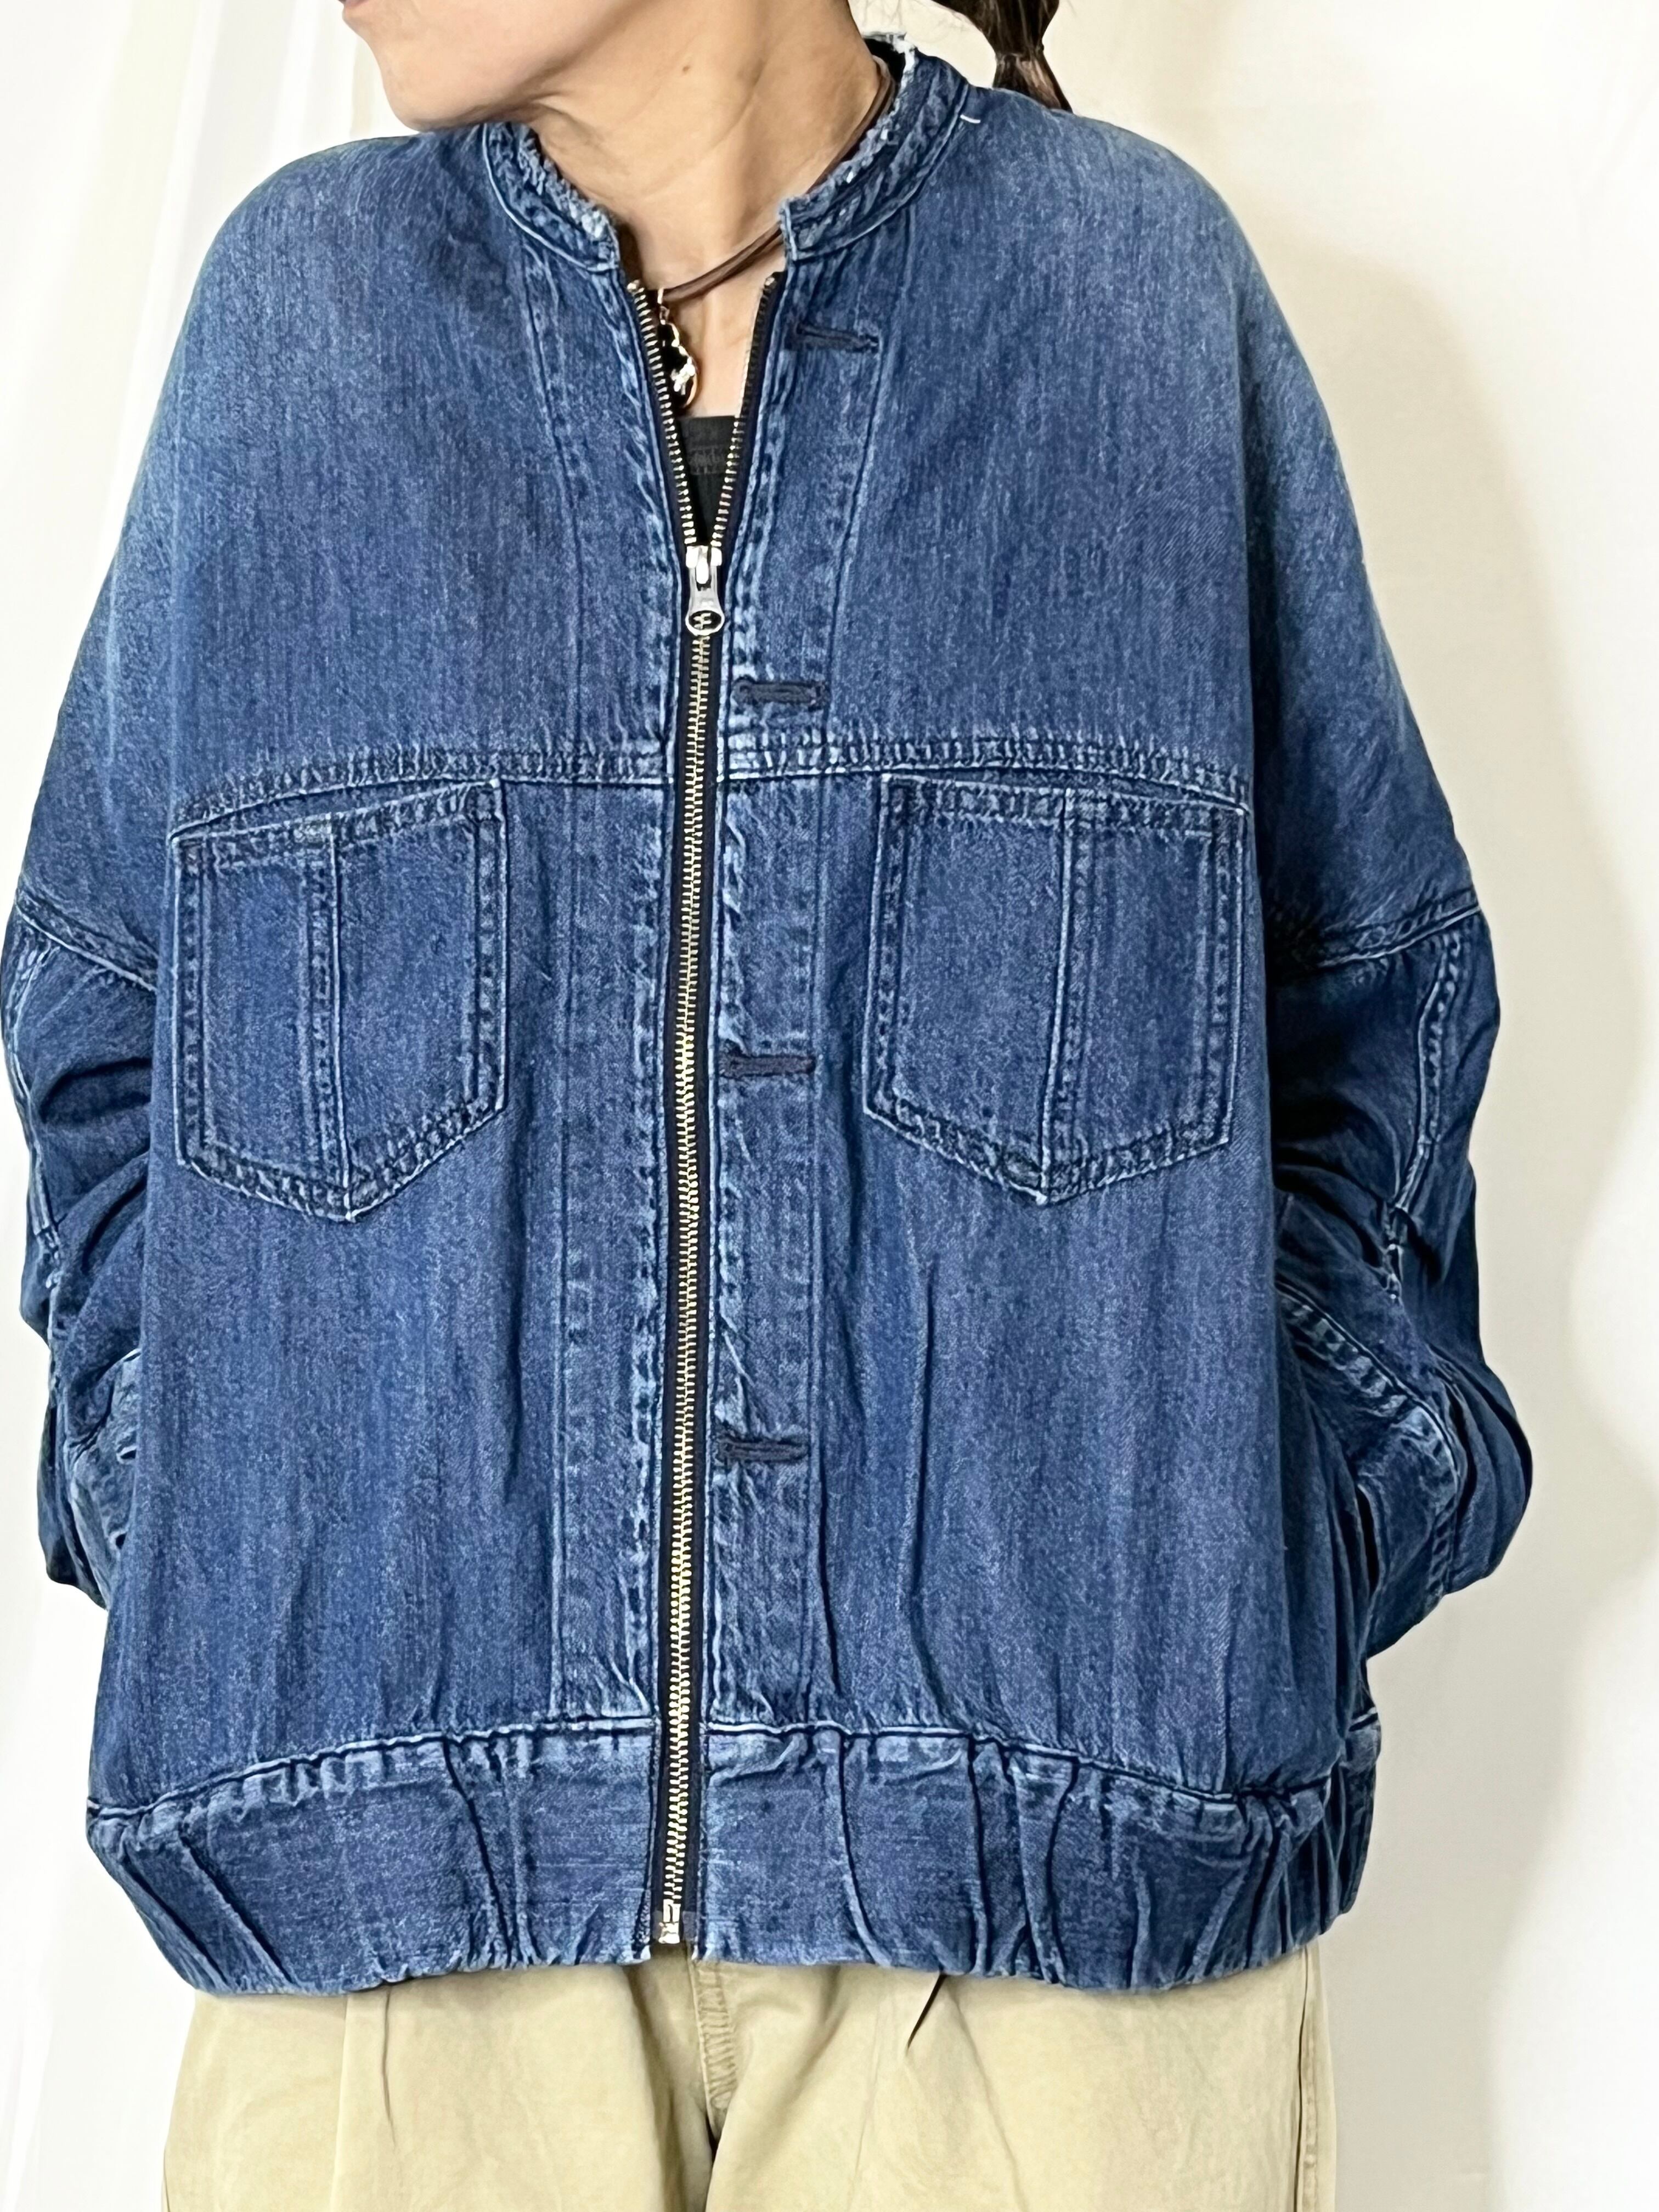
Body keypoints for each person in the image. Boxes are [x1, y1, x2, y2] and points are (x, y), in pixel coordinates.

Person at [0, 0, 1531, 2204]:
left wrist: (1248, 1557)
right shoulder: (301, 325)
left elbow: (1372, 1013)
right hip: (388, 1926)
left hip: (1056, 1932)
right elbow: (104, 1027)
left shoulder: (1129, 301)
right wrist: (224, 1544)